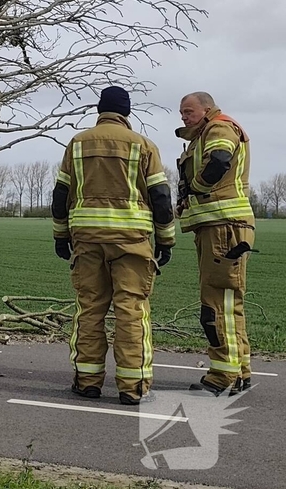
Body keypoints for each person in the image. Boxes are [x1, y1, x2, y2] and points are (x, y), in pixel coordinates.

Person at [51, 87, 175, 405]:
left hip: (87, 240)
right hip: (132, 242)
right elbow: (161, 199)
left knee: (90, 308)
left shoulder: (77, 144)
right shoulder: (144, 146)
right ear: (127, 112)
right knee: (131, 310)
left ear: (100, 109)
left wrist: (61, 236)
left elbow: (60, 196)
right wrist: (166, 240)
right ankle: (132, 387)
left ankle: (87, 381)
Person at [176, 92, 255, 397]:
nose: (183, 116)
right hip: (221, 226)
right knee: (228, 302)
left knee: (217, 303)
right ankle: (240, 370)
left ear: (206, 109)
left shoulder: (218, 128)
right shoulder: (206, 132)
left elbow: (219, 161)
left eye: (188, 111)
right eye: (181, 112)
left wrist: (195, 188)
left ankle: (224, 375)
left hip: (223, 226)